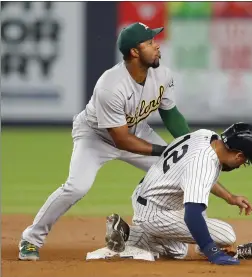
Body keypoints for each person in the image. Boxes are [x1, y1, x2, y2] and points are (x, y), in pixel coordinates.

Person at [18, 22, 193, 261]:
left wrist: (189, 143)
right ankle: (31, 239)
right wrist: (165, 151)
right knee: (76, 187)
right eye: (150, 43)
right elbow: (121, 140)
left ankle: (164, 239)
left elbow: (171, 114)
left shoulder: (162, 74)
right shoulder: (110, 86)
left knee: (179, 177)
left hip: (136, 130)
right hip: (95, 136)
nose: (157, 46)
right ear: (134, 52)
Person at [103, 122, 252, 265]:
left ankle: (126, 232)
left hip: (152, 195)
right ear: (239, 156)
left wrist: (229, 197)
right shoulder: (202, 164)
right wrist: (213, 253)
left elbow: (201, 177)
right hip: (155, 211)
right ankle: (129, 234)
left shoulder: (207, 136)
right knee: (226, 234)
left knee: (179, 249)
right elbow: (192, 215)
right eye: (245, 161)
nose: (241, 164)